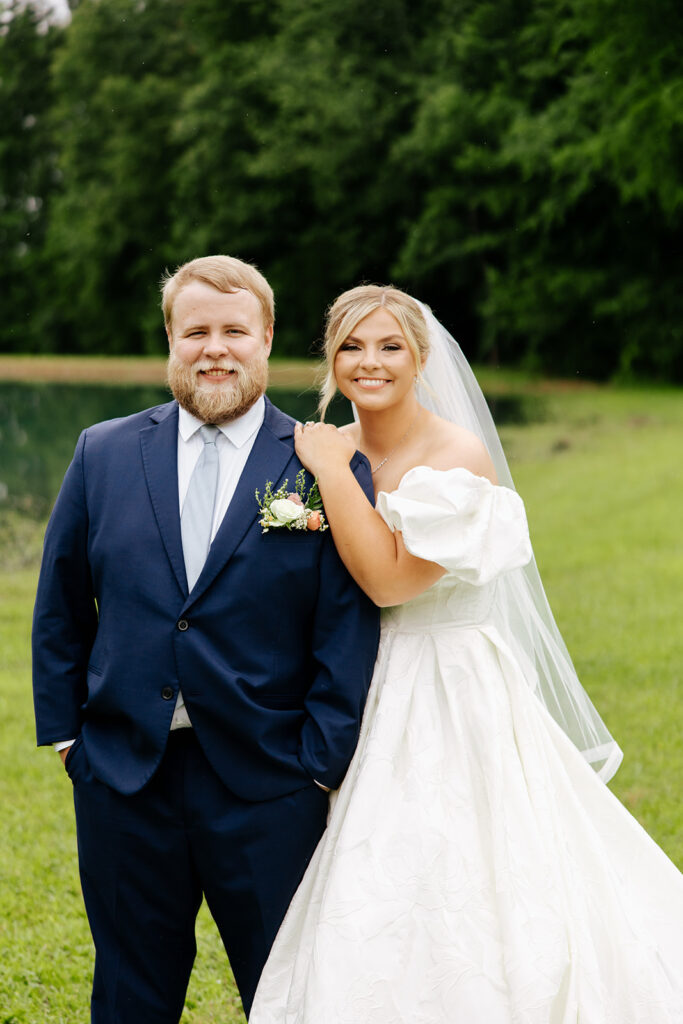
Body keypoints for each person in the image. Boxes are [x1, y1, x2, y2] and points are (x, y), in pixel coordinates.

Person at [249, 285, 683, 1023]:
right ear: (331, 359)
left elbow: (389, 582)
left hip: (446, 684)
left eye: (389, 346)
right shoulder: (333, 444)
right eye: (351, 346)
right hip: (358, 679)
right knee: (372, 871)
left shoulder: (453, 454)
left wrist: (329, 473)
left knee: (458, 860)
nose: (369, 361)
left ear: (420, 358)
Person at [31, 256, 380, 1023]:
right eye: (195, 332)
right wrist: (68, 738)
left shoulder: (321, 462)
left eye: (233, 331)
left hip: (270, 782)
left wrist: (317, 765)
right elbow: (61, 603)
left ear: (267, 337)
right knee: (130, 992)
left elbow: (346, 625)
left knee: (285, 996)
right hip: (124, 776)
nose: (214, 348)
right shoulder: (102, 452)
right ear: (170, 339)